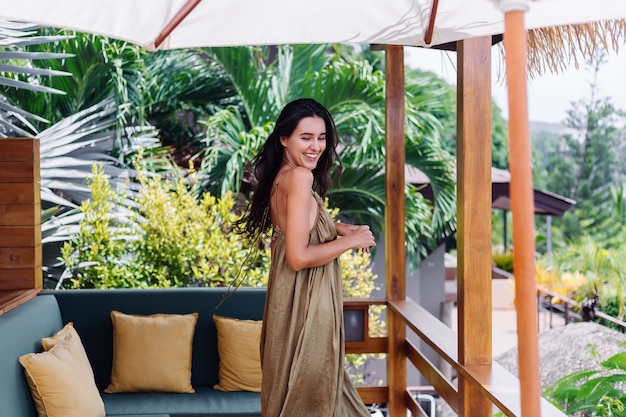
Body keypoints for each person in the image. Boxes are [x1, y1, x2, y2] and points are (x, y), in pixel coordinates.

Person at [237, 98, 376, 417]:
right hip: (307, 311)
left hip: (291, 308)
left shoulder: (284, 177)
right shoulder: (300, 178)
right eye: (306, 137)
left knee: (317, 398)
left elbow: (298, 226)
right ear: (284, 139)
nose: (316, 146)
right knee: (315, 400)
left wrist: (340, 228)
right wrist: (351, 241)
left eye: (321, 137)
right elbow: (298, 257)